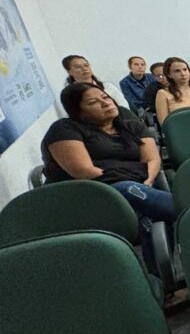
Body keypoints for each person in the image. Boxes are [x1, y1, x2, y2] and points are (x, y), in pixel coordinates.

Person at [42, 82, 174, 274]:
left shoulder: (132, 126)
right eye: (93, 102)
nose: (105, 103)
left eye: (105, 97)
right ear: (79, 112)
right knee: (130, 191)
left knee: (146, 215)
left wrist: (146, 180)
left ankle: (157, 277)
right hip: (93, 193)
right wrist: (132, 174)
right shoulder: (64, 128)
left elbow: (152, 161)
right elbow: (84, 171)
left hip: (139, 187)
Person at [62, 54, 129, 108]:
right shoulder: (70, 94)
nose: (84, 68)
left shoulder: (107, 86)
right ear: (69, 71)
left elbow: (124, 106)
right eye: (78, 67)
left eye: (86, 65)